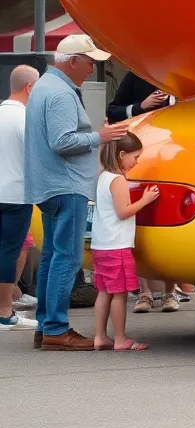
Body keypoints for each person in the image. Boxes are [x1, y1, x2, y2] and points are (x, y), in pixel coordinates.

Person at [26, 36, 128, 351]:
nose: (92, 68)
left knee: (53, 258)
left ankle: (47, 327)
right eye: (89, 62)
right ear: (73, 61)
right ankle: (55, 329)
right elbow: (63, 141)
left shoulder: (45, 86)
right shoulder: (60, 93)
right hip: (66, 185)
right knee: (66, 258)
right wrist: (101, 136)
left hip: (50, 184)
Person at [91, 133, 160, 351]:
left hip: (101, 245)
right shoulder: (118, 180)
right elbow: (123, 212)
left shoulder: (102, 176)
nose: (136, 162)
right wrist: (145, 200)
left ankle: (100, 336)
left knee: (104, 292)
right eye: (135, 157)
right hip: (116, 246)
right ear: (122, 155)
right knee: (119, 294)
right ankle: (120, 339)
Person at [0, 65, 39, 330]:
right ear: (29, 88)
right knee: (8, 252)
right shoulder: (26, 119)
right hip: (16, 194)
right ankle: (5, 312)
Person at [106, 70, 173, 123]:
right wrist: (140, 107)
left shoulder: (180, 76)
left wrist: (172, 100)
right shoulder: (136, 75)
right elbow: (112, 112)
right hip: (141, 133)